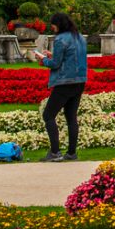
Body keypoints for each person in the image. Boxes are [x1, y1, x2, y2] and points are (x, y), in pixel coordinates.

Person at [39, 14, 89, 162]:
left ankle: (55, 152)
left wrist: (44, 60)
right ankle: (72, 153)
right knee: (71, 117)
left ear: (58, 25)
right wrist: (52, 56)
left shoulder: (60, 39)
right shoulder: (79, 37)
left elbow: (56, 64)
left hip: (64, 82)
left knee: (48, 115)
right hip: (80, 81)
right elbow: (69, 57)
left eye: (53, 25)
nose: (52, 28)